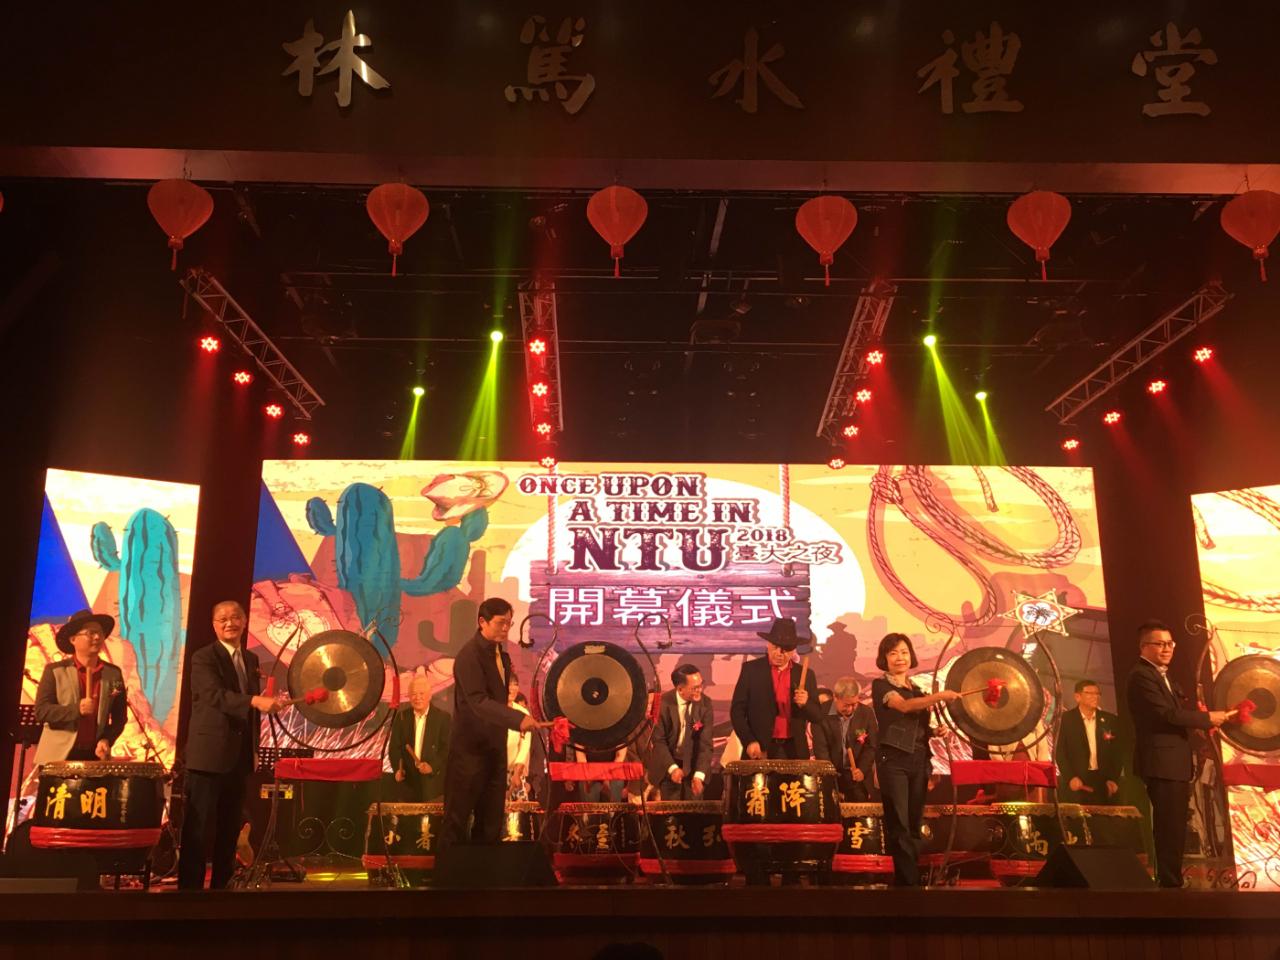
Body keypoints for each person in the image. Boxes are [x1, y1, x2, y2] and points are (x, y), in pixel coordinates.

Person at [178, 600, 280, 890]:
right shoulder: (203, 657)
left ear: (245, 621)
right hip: (207, 757)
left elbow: (250, 714)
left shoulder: (250, 659)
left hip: (238, 758)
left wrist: (255, 750)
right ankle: (188, 894)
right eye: (222, 619)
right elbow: (213, 695)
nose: (229, 623)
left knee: (229, 828)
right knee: (198, 829)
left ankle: (223, 888)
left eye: (235, 617)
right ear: (214, 625)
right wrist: (255, 701)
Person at [1126, 620, 1233, 888]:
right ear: (1144, 647)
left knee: (1175, 825)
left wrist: (1197, 725)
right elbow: (1167, 714)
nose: (1166, 649)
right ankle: (1169, 883)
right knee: (1168, 826)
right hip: (1161, 762)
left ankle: (1172, 879)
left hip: (1175, 762)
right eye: (1159, 643)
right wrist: (1207, 718)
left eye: (1170, 643)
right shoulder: (1141, 676)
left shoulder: (1163, 676)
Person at [440, 598, 548, 849]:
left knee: (490, 823)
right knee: (457, 820)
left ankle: (484, 881)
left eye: (509, 624)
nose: (505, 629)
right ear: (482, 622)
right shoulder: (469, 656)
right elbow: (478, 702)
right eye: (500, 623)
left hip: (495, 750)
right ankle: (447, 882)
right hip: (469, 752)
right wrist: (519, 719)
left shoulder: (502, 654)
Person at [872, 632, 961, 887]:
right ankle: (910, 885)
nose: (899, 658)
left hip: (919, 760)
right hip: (894, 761)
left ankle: (906, 881)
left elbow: (915, 724)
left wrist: (934, 732)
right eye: (893, 653)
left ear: (910, 656)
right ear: (884, 659)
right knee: (899, 824)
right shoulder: (882, 687)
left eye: (903, 652)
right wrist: (940, 696)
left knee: (913, 824)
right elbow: (904, 708)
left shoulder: (918, 689)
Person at [32, 609, 127, 765]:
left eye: (100, 633)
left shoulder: (113, 674)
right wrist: (77, 710)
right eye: (90, 633)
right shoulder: (55, 671)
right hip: (57, 758)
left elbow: (119, 718)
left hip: (94, 757)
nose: (97, 637)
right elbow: (42, 711)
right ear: (73, 639)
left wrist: (107, 739)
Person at [730, 618, 823, 760]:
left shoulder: (805, 674)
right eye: (775, 647)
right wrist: (748, 740)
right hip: (761, 747)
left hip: (794, 749)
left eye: (785, 650)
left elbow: (817, 716)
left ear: (793, 651)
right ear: (768, 644)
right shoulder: (752, 670)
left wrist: (805, 704)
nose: (779, 653)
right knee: (759, 783)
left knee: (795, 783)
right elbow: (737, 711)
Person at [648, 664, 715, 800]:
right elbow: (659, 741)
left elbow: (705, 745)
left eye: (701, 685)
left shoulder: (705, 704)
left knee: (694, 813)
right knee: (671, 814)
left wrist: (699, 776)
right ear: (680, 689)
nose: (700, 690)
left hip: (694, 766)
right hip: (668, 764)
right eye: (694, 688)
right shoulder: (662, 703)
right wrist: (673, 769)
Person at [1056, 679, 1124, 805]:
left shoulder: (1110, 720)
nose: (1095, 697)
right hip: (1077, 781)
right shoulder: (1066, 720)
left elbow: (1117, 753)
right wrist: (1070, 777)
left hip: (1103, 782)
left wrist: (1113, 778)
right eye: (1090, 693)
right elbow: (1059, 752)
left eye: (1097, 694)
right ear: (1077, 697)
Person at [812, 675, 877, 801]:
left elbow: (871, 746)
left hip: (857, 777)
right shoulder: (820, 713)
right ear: (836, 697)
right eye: (847, 705)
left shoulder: (867, 713)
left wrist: (862, 770)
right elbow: (821, 750)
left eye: (855, 704)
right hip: (830, 774)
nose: (851, 709)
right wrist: (831, 778)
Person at [388, 673, 450, 801]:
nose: (417, 698)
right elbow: (394, 748)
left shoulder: (443, 718)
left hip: (434, 786)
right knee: (408, 820)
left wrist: (432, 766)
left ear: (430, 695)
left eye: (421, 694)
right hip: (408, 785)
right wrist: (398, 769)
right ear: (409, 697)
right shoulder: (401, 718)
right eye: (414, 694)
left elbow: (447, 749)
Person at [507, 677, 531, 798]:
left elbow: (524, 746)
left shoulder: (523, 713)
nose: (512, 688)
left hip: (515, 772)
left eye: (515, 684)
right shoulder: (491, 710)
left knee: (519, 813)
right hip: (492, 771)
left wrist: (516, 773)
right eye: (509, 684)